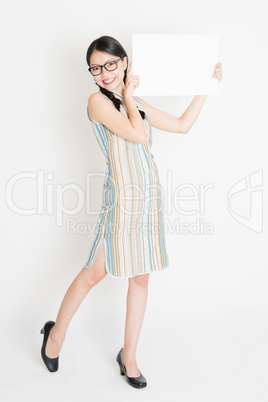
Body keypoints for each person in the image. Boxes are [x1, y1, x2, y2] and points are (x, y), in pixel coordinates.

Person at [40, 35, 223, 388]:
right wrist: (126, 94)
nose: (105, 72)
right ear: (91, 73)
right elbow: (137, 136)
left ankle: (129, 356)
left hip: (148, 200)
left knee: (141, 278)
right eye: (96, 67)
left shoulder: (135, 101)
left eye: (111, 64)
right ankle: (55, 335)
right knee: (93, 274)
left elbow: (183, 125)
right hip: (120, 202)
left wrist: (205, 86)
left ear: (125, 62)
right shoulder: (98, 101)